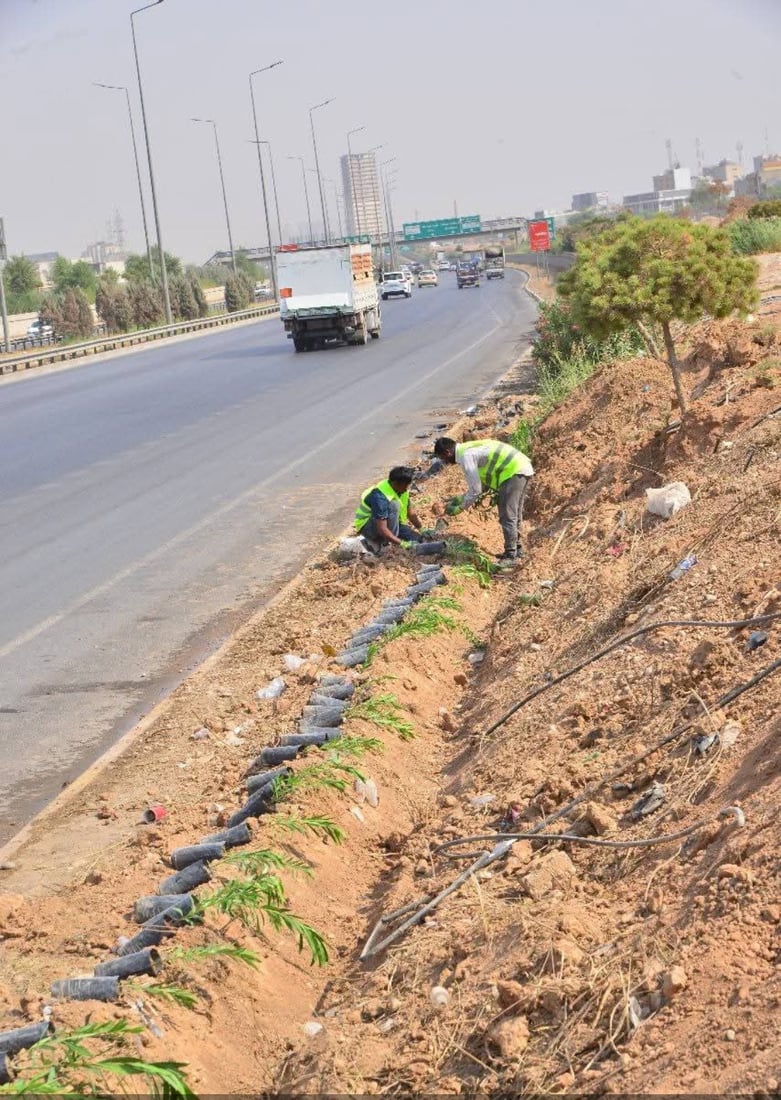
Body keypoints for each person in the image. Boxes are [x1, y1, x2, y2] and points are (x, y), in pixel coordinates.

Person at [433, 436, 533, 564]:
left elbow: (476, 490)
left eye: (443, 458)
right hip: (519, 468)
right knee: (514, 514)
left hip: (513, 471)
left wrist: (460, 507)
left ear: (448, 452)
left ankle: (511, 555)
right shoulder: (467, 448)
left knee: (508, 516)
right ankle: (516, 550)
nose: (445, 462)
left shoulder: (466, 457)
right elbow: (482, 484)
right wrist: (462, 497)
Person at [354, 466, 423, 551]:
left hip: (390, 523)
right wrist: (402, 543)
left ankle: (392, 538)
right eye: (405, 486)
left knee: (417, 539)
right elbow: (382, 528)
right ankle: (384, 543)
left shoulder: (401, 490)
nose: (406, 489)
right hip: (367, 527)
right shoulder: (380, 497)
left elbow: (410, 513)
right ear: (395, 483)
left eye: (407, 485)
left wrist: (421, 529)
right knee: (394, 505)